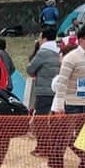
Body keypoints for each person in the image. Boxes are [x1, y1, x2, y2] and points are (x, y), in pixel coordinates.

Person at [49, 25, 85, 168]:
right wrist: (59, 106)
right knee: (62, 141)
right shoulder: (70, 58)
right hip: (70, 105)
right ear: (81, 40)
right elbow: (62, 83)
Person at [26, 28, 60, 157]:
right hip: (57, 91)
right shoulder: (60, 50)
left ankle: (43, 147)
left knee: (41, 121)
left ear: (44, 38)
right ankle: (53, 147)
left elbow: (30, 69)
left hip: (44, 91)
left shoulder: (43, 52)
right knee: (54, 121)